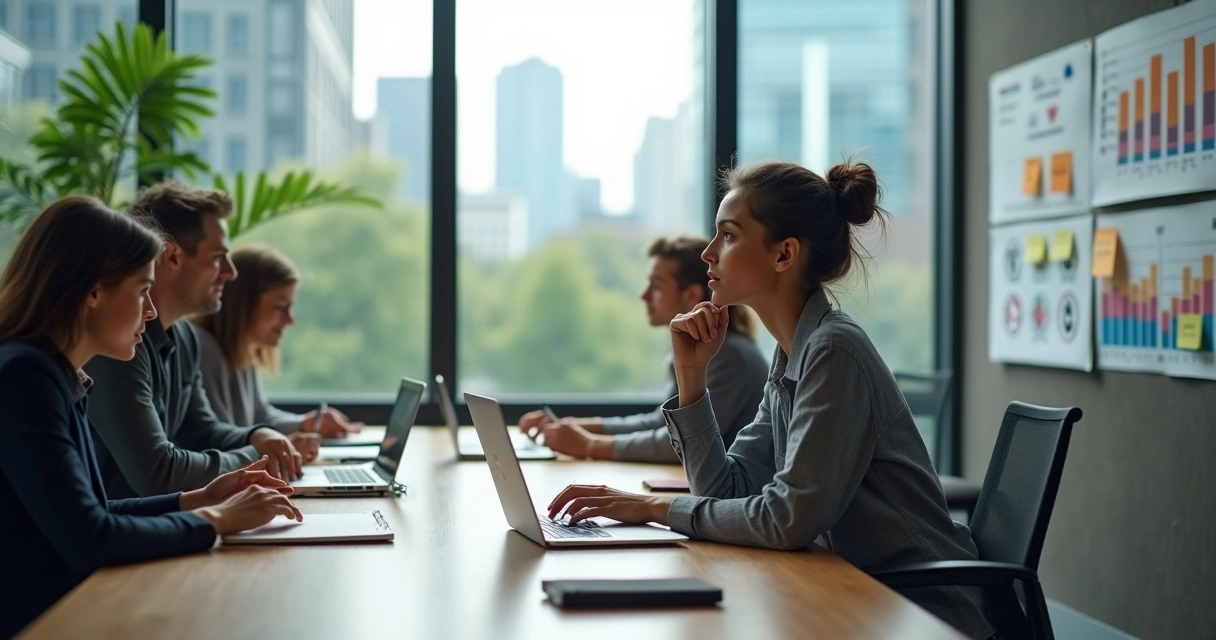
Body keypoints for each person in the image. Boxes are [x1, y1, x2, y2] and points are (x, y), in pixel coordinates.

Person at [548, 161, 994, 639]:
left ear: (784, 255)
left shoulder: (833, 350)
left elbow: (787, 519)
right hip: (856, 597)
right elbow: (724, 489)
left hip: (925, 614)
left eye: (728, 235)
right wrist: (692, 375)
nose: (708, 252)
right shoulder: (791, 354)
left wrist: (653, 508)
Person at [0, 197, 302, 638]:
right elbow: (91, 539)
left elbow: (93, 511)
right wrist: (217, 519)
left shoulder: (51, 373)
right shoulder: (26, 378)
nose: (151, 311)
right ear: (93, 292)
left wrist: (200, 498)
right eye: (143, 290)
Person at [84, 182, 317, 499]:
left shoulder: (185, 337)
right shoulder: (117, 343)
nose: (230, 273)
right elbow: (158, 474)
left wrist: (258, 435)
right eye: (218, 257)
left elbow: (202, 430)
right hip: (127, 525)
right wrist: (257, 456)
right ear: (172, 256)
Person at [518, 236, 768, 463]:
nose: (644, 295)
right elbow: (661, 423)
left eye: (656, 286)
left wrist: (588, 445)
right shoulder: (717, 350)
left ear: (691, 294)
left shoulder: (730, 357)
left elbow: (681, 444)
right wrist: (568, 427)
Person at [193, 244, 363, 437]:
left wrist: (306, 424)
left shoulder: (242, 352)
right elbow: (219, 438)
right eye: (279, 307)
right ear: (242, 304)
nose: (290, 320)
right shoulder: (204, 350)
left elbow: (260, 417)